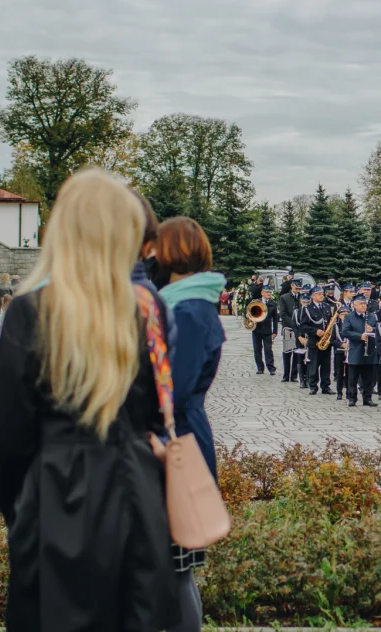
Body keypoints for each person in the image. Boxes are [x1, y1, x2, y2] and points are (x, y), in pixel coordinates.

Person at [0, 169, 180, 631]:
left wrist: (21, 508)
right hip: (135, 486)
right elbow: (159, 413)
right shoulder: (147, 313)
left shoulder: (31, 314)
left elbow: (11, 435)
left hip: (56, 489)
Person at [155, 216, 226, 632]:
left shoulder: (191, 309)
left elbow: (174, 391)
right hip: (179, 432)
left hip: (179, 438)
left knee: (177, 564)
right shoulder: (185, 302)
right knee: (171, 562)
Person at [341, 294, 378, 407]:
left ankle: (367, 398)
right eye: (361, 304)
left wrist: (373, 329)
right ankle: (352, 398)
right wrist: (359, 336)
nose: (363, 306)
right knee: (353, 377)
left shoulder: (372, 317)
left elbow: (379, 330)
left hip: (369, 350)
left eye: (364, 304)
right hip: (356, 350)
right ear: (355, 305)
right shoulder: (349, 317)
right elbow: (345, 332)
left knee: (368, 377)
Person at [303, 285, 333, 394]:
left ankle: (326, 386)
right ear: (312, 296)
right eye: (319, 294)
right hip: (314, 341)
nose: (321, 296)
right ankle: (313, 385)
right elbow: (304, 326)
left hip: (326, 341)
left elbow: (330, 322)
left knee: (326, 365)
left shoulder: (326, 307)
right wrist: (315, 331)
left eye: (322, 294)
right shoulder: (307, 309)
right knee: (314, 364)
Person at [278, 279, 302, 382]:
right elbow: (283, 314)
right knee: (287, 352)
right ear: (292, 286)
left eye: (299, 289)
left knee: (297, 352)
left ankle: (294, 375)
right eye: (296, 288)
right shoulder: (284, 297)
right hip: (289, 328)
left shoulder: (302, 298)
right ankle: (286, 374)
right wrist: (293, 323)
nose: (298, 290)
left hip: (299, 329)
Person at [252, 286, 279, 375]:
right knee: (257, 350)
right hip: (257, 330)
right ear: (262, 293)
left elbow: (275, 319)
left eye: (270, 292)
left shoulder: (273, 304)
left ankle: (271, 368)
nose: (269, 294)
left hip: (267, 330)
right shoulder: (256, 302)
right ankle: (260, 368)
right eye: (267, 292)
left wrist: (275, 331)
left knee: (268, 350)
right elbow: (248, 312)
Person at [331, 304, 351, 399]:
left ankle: (348, 392)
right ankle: (339, 392)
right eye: (342, 314)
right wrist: (341, 344)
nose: (344, 316)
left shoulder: (352, 325)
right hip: (339, 351)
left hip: (350, 351)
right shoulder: (336, 326)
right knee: (339, 373)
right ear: (339, 315)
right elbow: (332, 340)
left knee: (349, 373)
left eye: (347, 314)